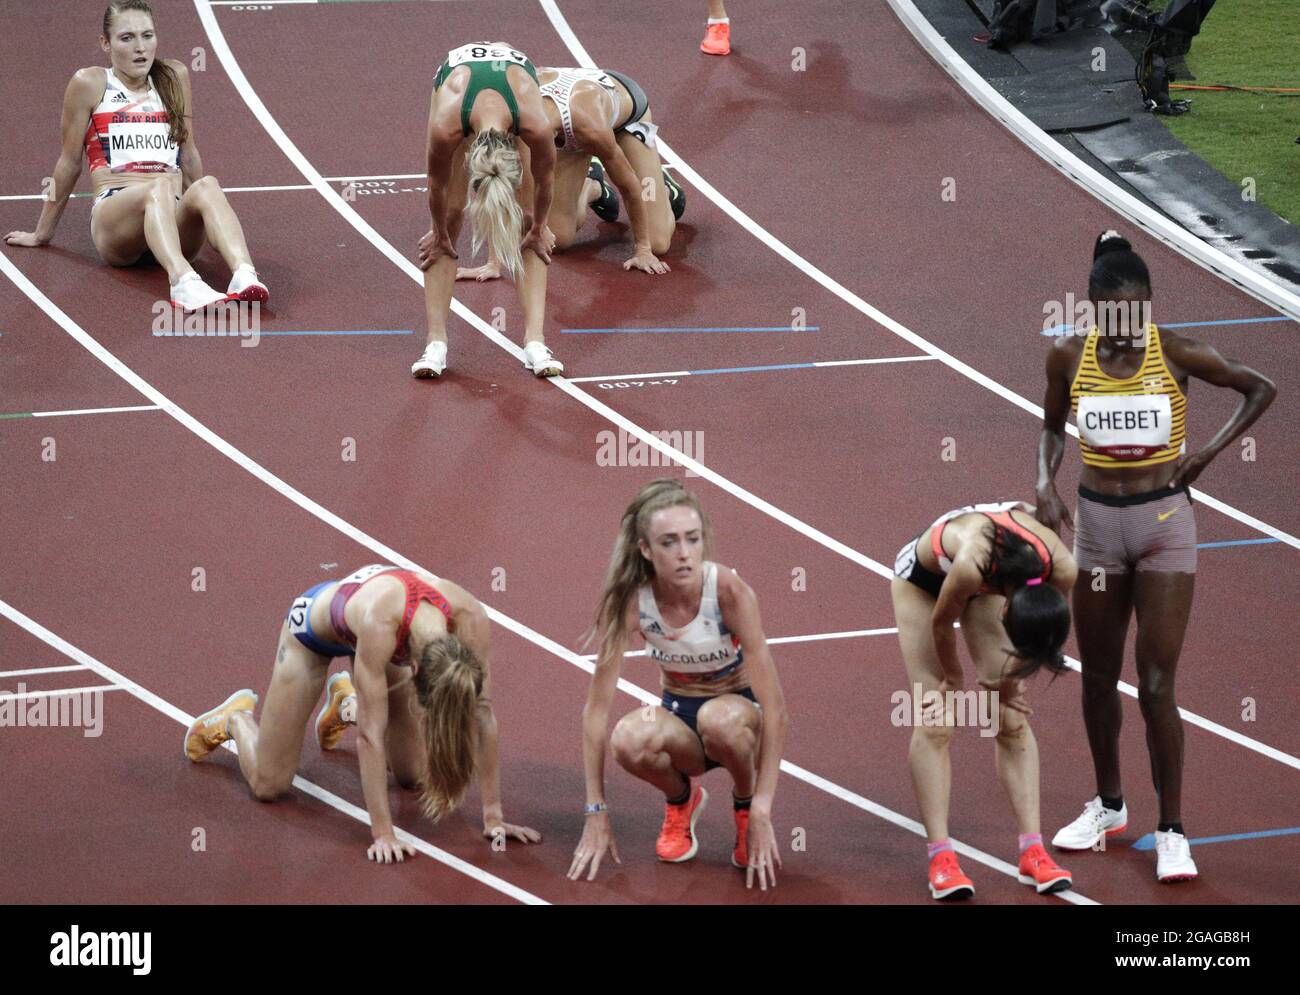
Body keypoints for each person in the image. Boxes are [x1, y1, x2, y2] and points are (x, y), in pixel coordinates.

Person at [1037, 231, 1276, 882]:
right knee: (1095, 676)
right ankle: (1109, 805)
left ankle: (1172, 829)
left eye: (1141, 308)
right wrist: (1042, 482)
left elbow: (1260, 387)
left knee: (1158, 683)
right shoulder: (1069, 357)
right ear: (1094, 309)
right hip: (1096, 529)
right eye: (1119, 311)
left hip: (1165, 523)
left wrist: (1204, 454)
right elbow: (1052, 428)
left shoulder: (1173, 353)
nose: (1132, 322)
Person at [184, 564, 540, 862]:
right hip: (313, 633)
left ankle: (346, 704)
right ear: (414, 671)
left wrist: (494, 816)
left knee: (414, 775)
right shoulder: (380, 624)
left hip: (385, 635)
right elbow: (370, 736)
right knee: (269, 784)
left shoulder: (471, 618)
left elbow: (483, 714)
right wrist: (383, 833)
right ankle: (235, 719)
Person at [568, 479, 789, 890]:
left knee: (718, 718)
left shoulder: (728, 593)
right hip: (681, 719)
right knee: (629, 738)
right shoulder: (634, 603)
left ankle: (740, 805)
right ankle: (681, 800)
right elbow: (595, 713)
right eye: (669, 542)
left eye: (693, 539)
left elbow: (776, 709)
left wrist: (761, 807)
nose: (684, 553)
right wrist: (595, 811)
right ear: (646, 550)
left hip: (740, 719)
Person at [4, 0, 267, 312]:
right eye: (127, 38)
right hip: (117, 221)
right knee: (157, 189)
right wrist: (42, 233)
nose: (140, 48)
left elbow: (189, 153)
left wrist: (208, 215)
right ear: (106, 43)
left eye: (147, 35)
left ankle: (244, 275)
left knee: (207, 185)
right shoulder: (90, 83)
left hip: (170, 214)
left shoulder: (174, 76)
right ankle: (183, 282)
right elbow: (69, 161)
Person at [892, 500, 1078, 899]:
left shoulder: (1062, 568)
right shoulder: (971, 563)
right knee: (936, 718)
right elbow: (943, 623)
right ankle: (941, 857)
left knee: (1010, 716)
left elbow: (1043, 633)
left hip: (991, 583)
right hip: (926, 585)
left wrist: (1007, 686)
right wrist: (955, 683)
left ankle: (1033, 851)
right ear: (1007, 606)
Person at [412, 41, 561, 379]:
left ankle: (535, 342)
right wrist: (438, 233)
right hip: (457, 87)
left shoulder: (535, 126)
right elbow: (436, 184)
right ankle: (435, 343)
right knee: (450, 218)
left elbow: (545, 179)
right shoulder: (446, 126)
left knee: (527, 220)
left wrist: (539, 227)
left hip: (514, 89)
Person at [455, 64, 684, 281]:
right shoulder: (506, 122)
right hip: (564, 130)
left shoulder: (588, 125)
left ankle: (663, 189)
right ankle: (592, 185)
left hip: (622, 117)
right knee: (558, 238)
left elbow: (628, 184)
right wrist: (494, 262)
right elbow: (498, 186)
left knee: (657, 242)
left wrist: (642, 249)